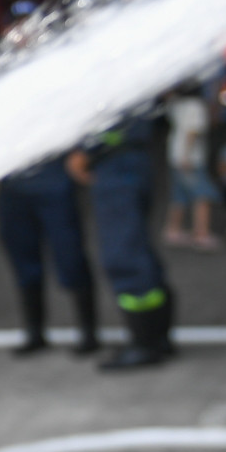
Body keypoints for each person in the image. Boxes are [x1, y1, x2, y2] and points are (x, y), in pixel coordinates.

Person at [67, 114, 173, 371]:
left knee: (123, 256)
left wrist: (86, 149)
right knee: (137, 251)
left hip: (116, 165)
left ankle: (144, 344)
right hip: (127, 162)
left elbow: (107, 113)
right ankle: (157, 338)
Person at [0, 155, 100, 355]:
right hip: (12, 184)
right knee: (23, 259)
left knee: (69, 255)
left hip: (54, 179)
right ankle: (35, 333)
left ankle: (89, 333)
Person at [163, 83, 220, 251]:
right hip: (191, 159)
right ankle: (202, 234)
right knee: (202, 195)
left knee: (179, 195)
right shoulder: (196, 106)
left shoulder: (175, 104)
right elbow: (193, 132)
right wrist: (187, 156)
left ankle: (173, 230)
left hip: (174, 154)